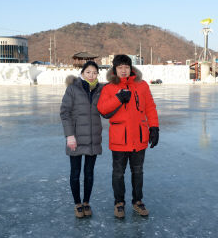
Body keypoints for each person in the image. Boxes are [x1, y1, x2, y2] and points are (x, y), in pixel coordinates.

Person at [97, 54, 159, 218]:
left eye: (126, 67)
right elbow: (102, 109)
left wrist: (154, 127)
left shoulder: (142, 85)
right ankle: (119, 203)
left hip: (139, 137)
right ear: (114, 70)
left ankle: (137, 201)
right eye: (120, 68)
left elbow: (150, 107)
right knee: (118, 173)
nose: (123, 71)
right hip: (119, 138)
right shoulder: (109, 88)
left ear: (131, 68)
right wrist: (118, 99)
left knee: (138, 172)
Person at [60, 61, 103, 218]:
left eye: (94, 73)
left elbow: (107, 108)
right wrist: (69, 135)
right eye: (88, 72)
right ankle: (77, 203)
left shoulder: (101, 89)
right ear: (82, 73)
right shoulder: (73, 89)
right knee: (76, 173)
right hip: (76, 138)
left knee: (89, 173)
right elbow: (65, 113)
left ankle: (86, 202)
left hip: (93, 138)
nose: (92, 75)